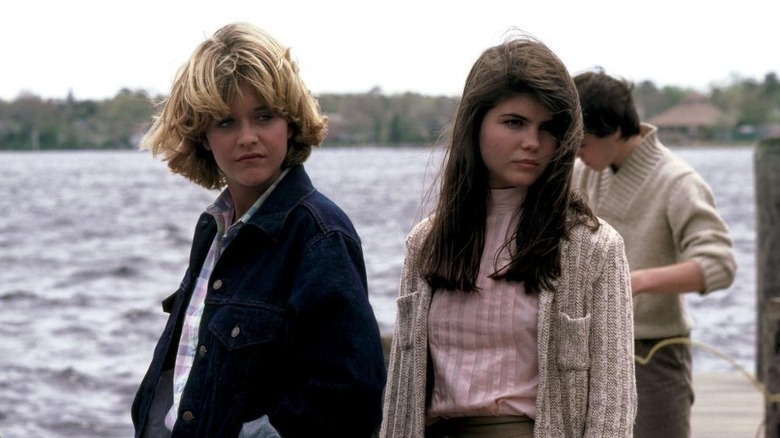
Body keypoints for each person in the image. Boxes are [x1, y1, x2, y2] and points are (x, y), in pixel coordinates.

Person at [131, 22, 386, 438]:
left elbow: (352, 396)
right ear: (203, 136)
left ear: (291, 122)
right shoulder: (214, 230)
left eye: (264, 116)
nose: (247, 137)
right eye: (226, 122)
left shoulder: (319, 235)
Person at [380, 34, 637, 438]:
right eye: (514, 122)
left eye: (548, 128)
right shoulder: (425, 242)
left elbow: (613, 409)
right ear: (475, 123)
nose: (532, 143)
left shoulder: (593, 248)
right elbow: (401, 396)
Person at [571, 68, 737, 438]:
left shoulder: (677, 182)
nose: (576, 153)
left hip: (654, 353)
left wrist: (637, 281)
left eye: (582, 142)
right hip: (586, 350)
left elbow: (719, 264)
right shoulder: (584, 172)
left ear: (615, 130)